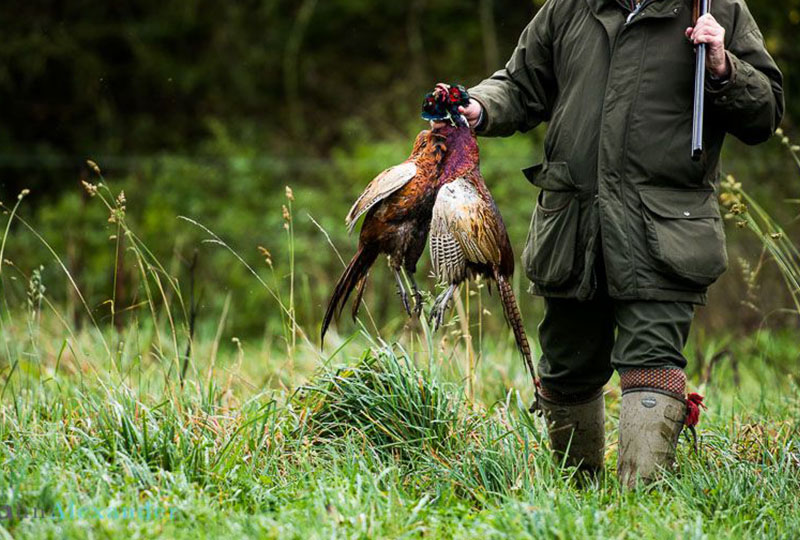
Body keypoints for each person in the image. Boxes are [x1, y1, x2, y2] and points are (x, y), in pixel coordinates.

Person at [440, 0, 783, 486]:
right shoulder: (569, 8)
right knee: (567, 362)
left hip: (664, 230)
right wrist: (477, 105)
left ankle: (639, 503)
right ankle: (577, 495)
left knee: (653, 359)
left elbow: (765, 111)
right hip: (573, 224)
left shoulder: (717, 9)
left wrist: (725, 66)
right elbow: (520, 85)